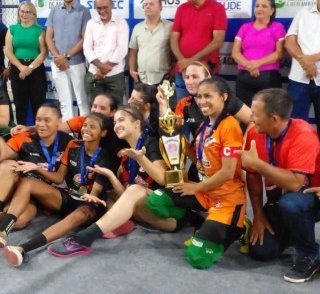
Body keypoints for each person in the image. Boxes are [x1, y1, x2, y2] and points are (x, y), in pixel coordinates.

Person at [47, 106, 177, 257]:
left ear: (137, 123)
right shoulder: (126, 156)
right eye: (115, 122)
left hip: (168, 214)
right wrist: (112, 176)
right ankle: (120, 224)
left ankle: (84, 238)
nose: (116, 125)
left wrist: (140, 158)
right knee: (110, 195)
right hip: (145, 212)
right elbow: (125, 196)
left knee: (134, 190)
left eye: (121, 120)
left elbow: (162, 178)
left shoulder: (150, 143)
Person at [147, 77, 246, 269]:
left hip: (226, 199)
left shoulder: (230, 125)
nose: (202, 101)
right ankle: (201, 223)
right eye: (199, 97)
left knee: (197, 258)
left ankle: (239, 228)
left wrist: (196, 187)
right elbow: (196, 156)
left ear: (223, 97)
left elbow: (227, 172)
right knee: (157, 200)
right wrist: (175, 136)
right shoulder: (205, 125)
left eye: (208, 96)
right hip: (205, 193)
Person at [1, 112, 115, 267]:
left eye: (92, 127)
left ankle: (23, 248)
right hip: (68, 197)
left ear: (103, 132)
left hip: (89, 204)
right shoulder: (73, 145)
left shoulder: (105, 157)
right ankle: (3, 231)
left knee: (81, 213)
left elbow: (95, 192)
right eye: (85, 125)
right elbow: (59, 178)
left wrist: (91, 197)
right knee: (28, 182)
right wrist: (37, 168)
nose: (86, 129)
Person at [238, 88, 320, 283]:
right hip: (283, 200)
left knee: (292, 204)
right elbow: (253, 177)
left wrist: (257, 163)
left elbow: (294, 183)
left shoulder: (304, 134)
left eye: (256, 114)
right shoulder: (255, 133)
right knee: (261, 251)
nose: (251, 117)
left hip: (312, 195)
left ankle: (310, 254)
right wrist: (258, 214)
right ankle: (296, 231)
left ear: (274, 119)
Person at [0, 102, 72, 229]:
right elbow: (3, 154)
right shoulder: (25, 137)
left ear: (58, 122)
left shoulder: (69, 143)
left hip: (48, 194)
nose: (41, 124)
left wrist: (36, 168)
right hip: (22, 193)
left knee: (18, 221)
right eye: (38, 120)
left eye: (47, 120)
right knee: (8, 166)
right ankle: (5, 213)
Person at [171, 0, 227, 101]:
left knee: (206, 108)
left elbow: (218, 40)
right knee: (182, 109)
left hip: (205, 69)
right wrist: (183, 63)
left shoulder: (217, 8)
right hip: (183, 70)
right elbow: (174, 38)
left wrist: (190, 61)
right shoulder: (182, 9)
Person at [46, 0, 90, 121]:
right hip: (57, 64)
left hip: (77, 63)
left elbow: (84, 39)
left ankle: (85, 137)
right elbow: (48, 37)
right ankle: (69, 138)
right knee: (65, 104)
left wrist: (65, 56)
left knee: (82, 102)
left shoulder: (84, 11)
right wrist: (58, 57)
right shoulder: (54, 11)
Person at [232, 0, 286, 108]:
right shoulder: (245, 27)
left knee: (269, 114)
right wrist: (249, 65)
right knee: (245, 116)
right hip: (245, 76)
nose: (259, 8)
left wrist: (257, 63)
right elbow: (235, 53)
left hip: (269, 78)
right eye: (257, 6)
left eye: (264, 6)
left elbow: (280, 52)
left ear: (272, 10)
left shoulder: (277, 27)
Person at [285, 0, 320, 137]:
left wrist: (309, 60)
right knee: (296, 128)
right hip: (298, 80)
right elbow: (290, 41)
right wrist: (303, 61)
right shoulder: (303, 13)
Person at [5, 1, 47, 125]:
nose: (24, 14)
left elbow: (43, 52)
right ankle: (21, 135)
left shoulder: (39, 30)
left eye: (28, 12)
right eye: (22, 11)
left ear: (33, 14)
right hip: (17, 69)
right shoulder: (12, 29)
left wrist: (30, 68)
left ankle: (38, 135)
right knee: (20, 104)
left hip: (36, 69)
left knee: (38, 104)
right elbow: (8, 51)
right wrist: (21, 67)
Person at [84, 0, 129, 106]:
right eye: (99, 8)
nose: (102, 11)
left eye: (105, 7)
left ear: (112, 5)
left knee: (116, 111)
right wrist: (101, 67)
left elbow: (122, 49)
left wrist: (103, 70)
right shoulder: (91, 23)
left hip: (115, 75)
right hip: (94, 74)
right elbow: (87, 48)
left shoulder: (121, 23)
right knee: (96, 112)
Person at [129, 0, 173, 86]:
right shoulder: (138, 28)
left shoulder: (170, 27)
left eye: (151, 4)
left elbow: (176, 51)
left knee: (163, 101)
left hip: (164, 78)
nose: (147, 6)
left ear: (160, 7)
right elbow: (133, 51)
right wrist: (132, 70)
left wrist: (173, 71)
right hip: (141, 79)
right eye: (145, 4)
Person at [0, 21, 13, 126]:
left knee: (4, 100)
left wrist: (8, 67)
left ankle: (9, 128)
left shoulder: (1, 27)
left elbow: (12, 47)